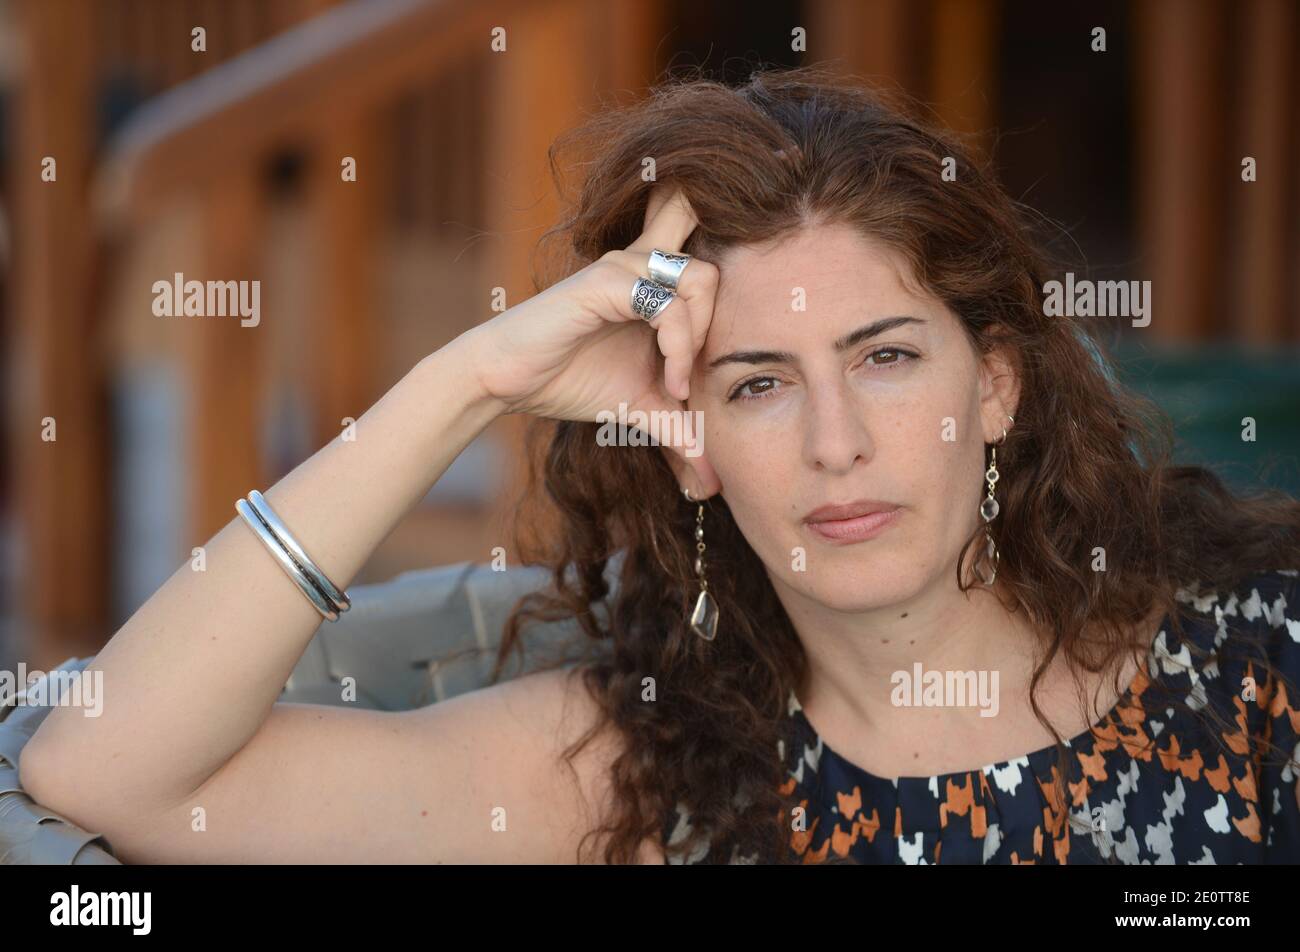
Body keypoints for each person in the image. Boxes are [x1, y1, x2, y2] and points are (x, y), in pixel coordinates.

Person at [19, 66, 1300, 864]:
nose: (833, 441)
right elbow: (105, 772)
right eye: (756, 383)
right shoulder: (631, 779)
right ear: (686, 445)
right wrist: (472, 377)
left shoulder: (1259, 674)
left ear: (1000, 385)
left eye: (888, 358)